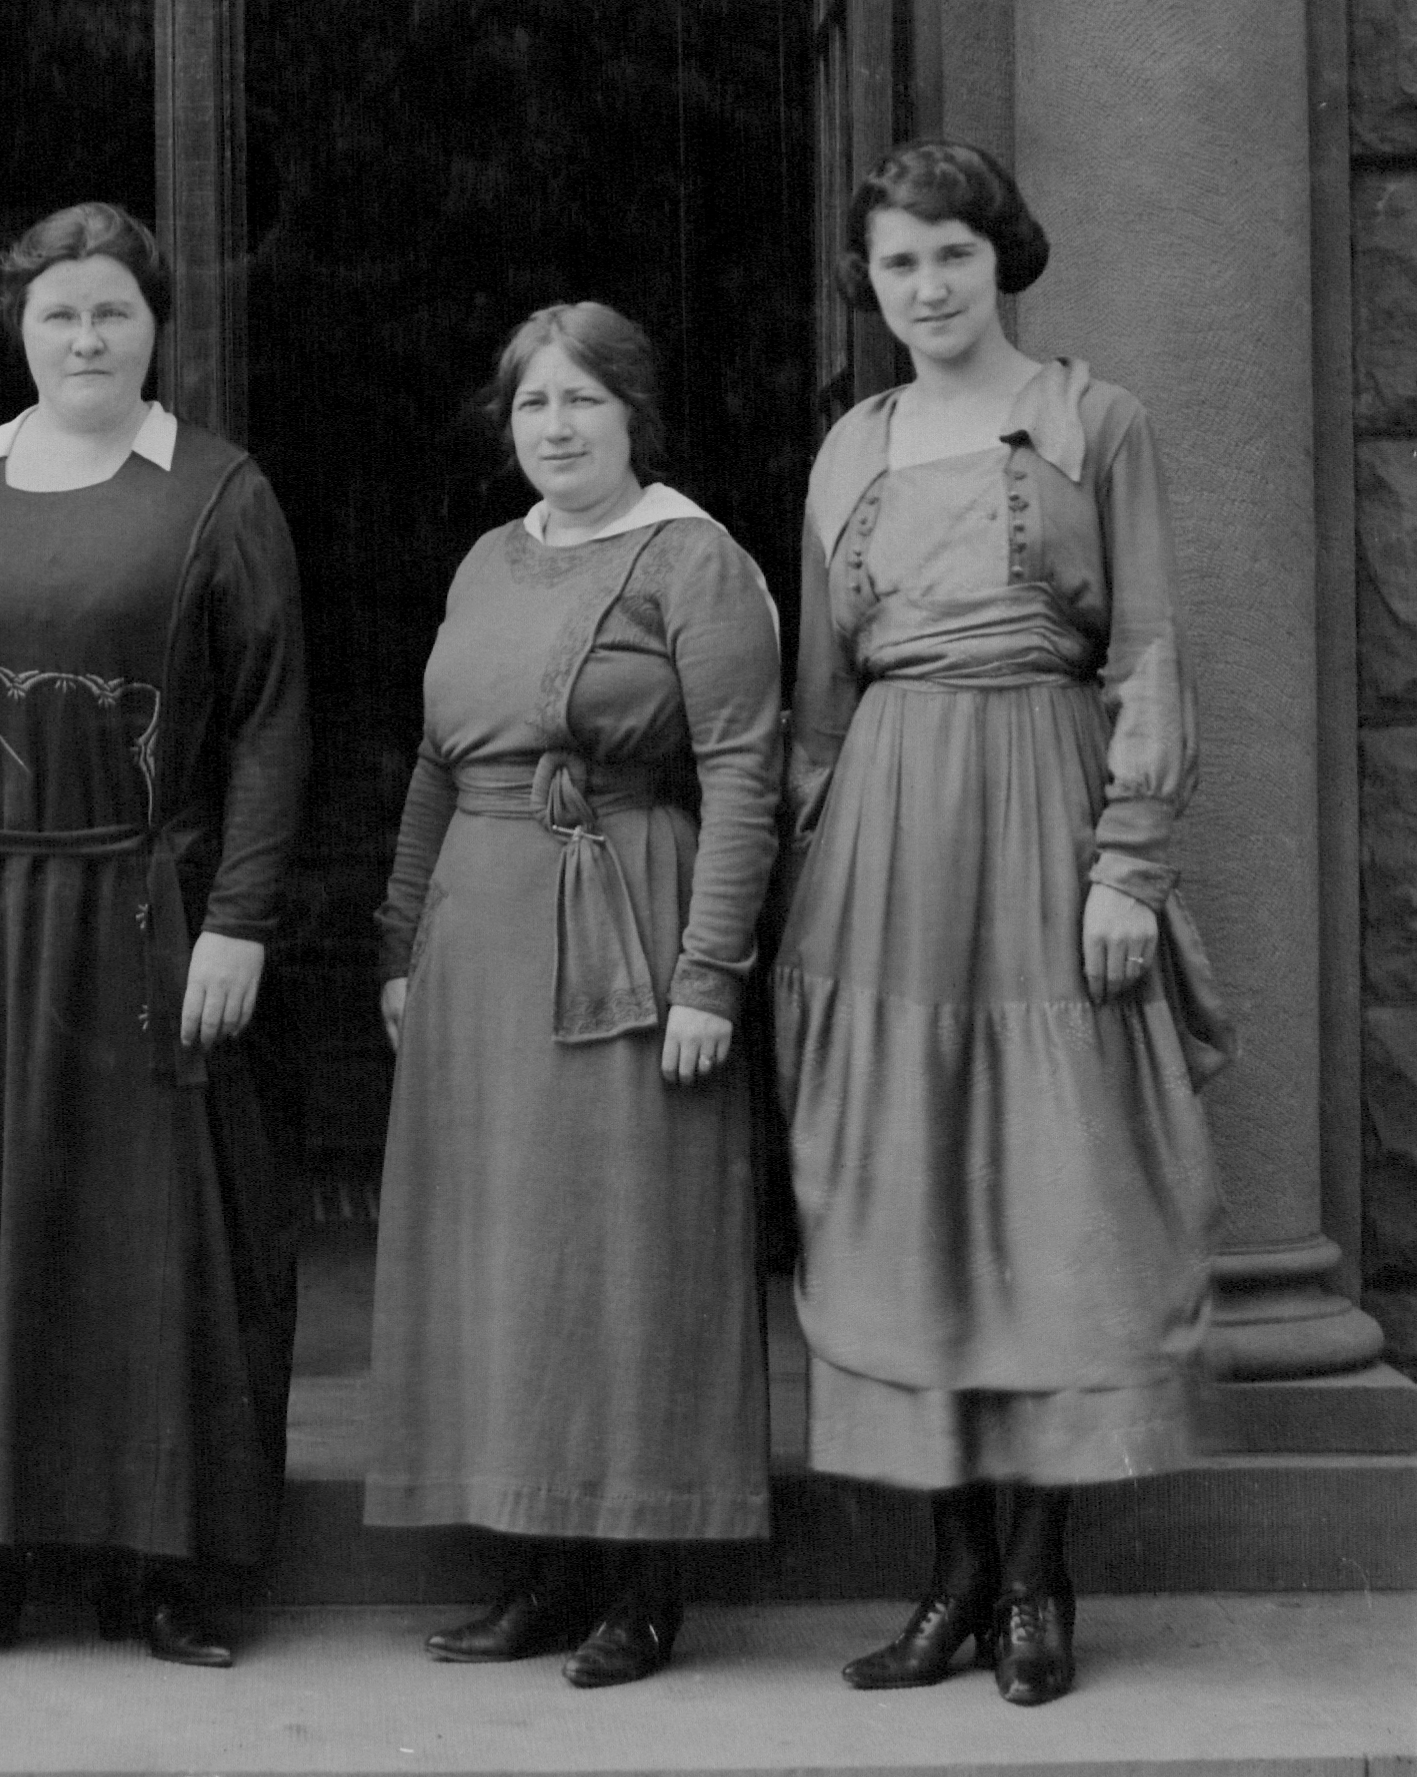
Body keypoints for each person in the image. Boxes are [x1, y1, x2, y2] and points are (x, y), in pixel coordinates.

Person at [0, 201, 308, 1674]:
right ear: (18, 330)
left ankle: (152, 1568)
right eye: (57, 313)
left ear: (156, 326)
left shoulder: (216, 494)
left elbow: (276, 725)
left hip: (140, 919)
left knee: (144, 1250)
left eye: (111, 311)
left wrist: (239, 920)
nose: (84, 337)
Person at [776, 139, 1231, 1708]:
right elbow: (820, 708)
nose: (927, 285)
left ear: (1001, 258)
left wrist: (1127, 864)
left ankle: (1039, 1579)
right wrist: (806, 869)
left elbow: (1150, 653)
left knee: (1044, 1188)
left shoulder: (1093, 423)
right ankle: (949, 1575)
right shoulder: (850, 449)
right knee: (904, 1186)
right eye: (899, 262)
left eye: (952, 255)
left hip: (1040, 804)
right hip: (886, 846)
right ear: (873, 281)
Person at [366, 302, 781, 1689]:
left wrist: (707, 970)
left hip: (630, 923)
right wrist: (398, 944)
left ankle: (642, 1580)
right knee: (512, 1259)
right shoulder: (487, 559)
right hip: (478, 937)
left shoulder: (693, 557)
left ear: (631, 419)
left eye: (582, 404)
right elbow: (435, 763)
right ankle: (538, 1569)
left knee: (628, 1249)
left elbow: (740, 774)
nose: (554, 428)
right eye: (534, 405)